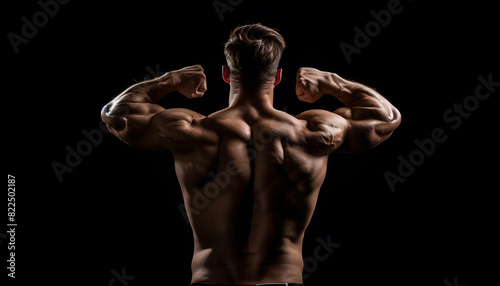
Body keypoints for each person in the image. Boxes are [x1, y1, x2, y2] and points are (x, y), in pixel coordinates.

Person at [101, 23, 401, 286]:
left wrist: (170, 80)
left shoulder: (190, 130)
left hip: (212, 281)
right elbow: (385, 118)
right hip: (281, 281)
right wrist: (333, 82)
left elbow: (116, 115)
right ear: (278, 76)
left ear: (226, 74)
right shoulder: (311, 132)